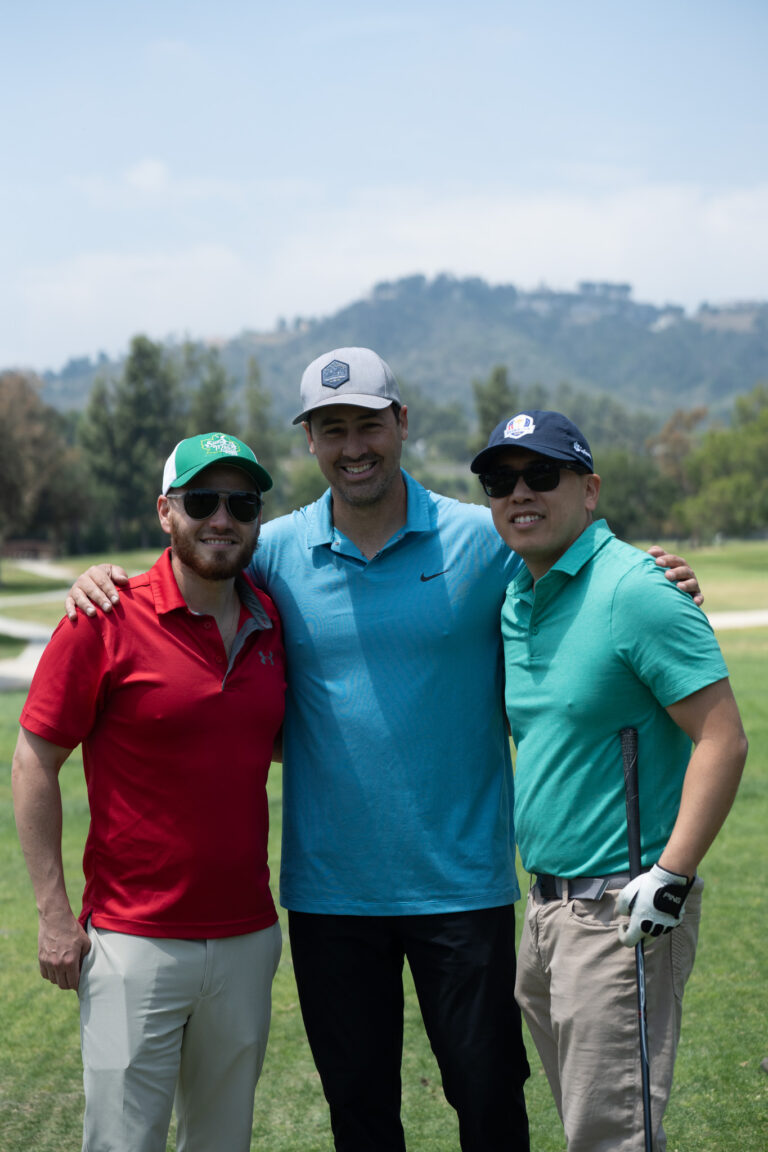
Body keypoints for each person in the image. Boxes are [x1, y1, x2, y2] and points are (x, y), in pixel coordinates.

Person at [65, 352, 702, 1152]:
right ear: (309, 442)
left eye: (369, 423)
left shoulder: (481, 537)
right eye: (332, 429)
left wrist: (653, 566)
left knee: (490, 1102)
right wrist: (105, 578)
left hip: (462, 888)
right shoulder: (275, 552)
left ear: (401, 424)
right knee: (360, 1115)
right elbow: (195, 561)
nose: (353, 445)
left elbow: (573, 553)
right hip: (331, 895)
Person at [470, 410, 748, 1152]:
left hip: (621, 909)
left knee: (612, 1136)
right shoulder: (518, 597)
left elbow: (723, 737)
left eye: (541, 475)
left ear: (589, 490)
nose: (519, 493)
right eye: (501, 480)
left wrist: (672, 874)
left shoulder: (637, 589)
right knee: (591, 1126)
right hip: (545, 913)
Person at [13, 432, 286, 1152]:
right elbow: (35, 760)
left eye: (241, 502)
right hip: (132, 941)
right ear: (166, 512)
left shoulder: (272, 620)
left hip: (248, 937)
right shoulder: (103, 616)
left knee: (222, 1143)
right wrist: (53, 915)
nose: (222, 518)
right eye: (202, 501)